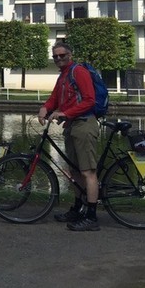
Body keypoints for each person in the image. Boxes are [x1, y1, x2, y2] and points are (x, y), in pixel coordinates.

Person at [37, 42, 101, 231]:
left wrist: (66, 113)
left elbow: (90, 100)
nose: (58, 59)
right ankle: (78, 208)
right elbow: (55, 98)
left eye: (62, 55)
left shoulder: (78, 71)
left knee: (88, 172)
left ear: (70, 55)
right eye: (55, 56)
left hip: (83, 124)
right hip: (72, 125)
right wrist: (45, 108)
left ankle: (91, 216)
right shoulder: (63, 76)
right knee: (74, 171)